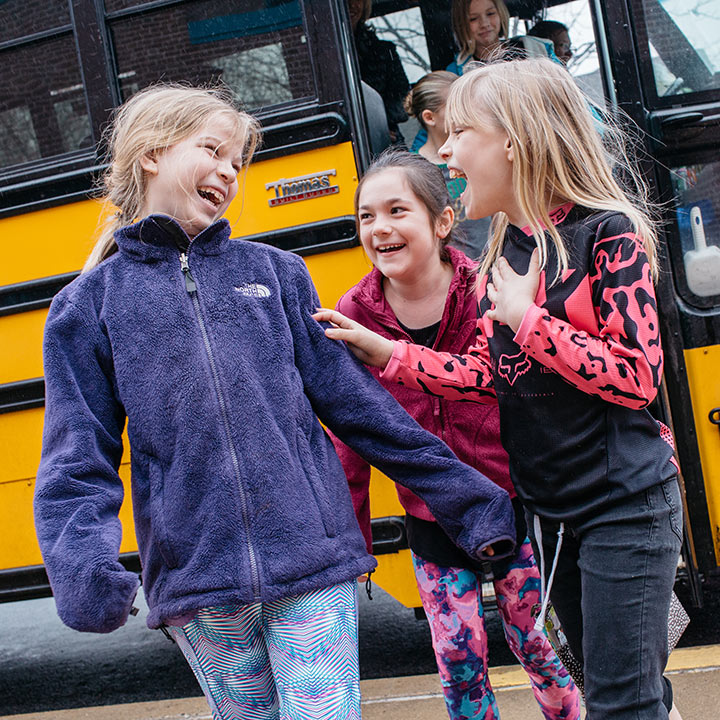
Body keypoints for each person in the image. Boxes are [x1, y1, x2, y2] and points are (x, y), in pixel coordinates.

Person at [33, 84, 519, 720]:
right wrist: (84, 567)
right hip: (197, 580)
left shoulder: (274, 273)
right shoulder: (86, 308)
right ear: (151, 153)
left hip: (312, 559)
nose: (230, 172)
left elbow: (361, 410)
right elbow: (76, 457)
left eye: (239, 162)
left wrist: (470, 498)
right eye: (213, 150)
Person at [314, 58, 685, 720]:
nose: (446, 150)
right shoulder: (507, 245)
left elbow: (638, 377)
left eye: (461, 133)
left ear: (512, 141)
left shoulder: (608, 233)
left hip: (622, 503)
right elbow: (488, 373)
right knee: (612, 694)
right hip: (551, 516)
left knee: (622, 705)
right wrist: (392, 354)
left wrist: (529, 320)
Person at [329, 149, 580, 720]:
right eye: (367, 216)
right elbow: (350, 427)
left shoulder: (485, 288)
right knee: (459, 661)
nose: (380, 228)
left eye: (397, 210)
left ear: (443, 223)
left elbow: (497, 380)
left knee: (540, 645)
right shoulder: (356, 311)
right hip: (431, 511)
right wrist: (352, 538)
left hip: (515, 498)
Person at [405, 71, 491, 258]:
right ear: (430, 118)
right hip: (458, 270)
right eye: (455, 106)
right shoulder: (415, 171)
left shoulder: (476, 152)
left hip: (494, 258)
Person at [348, 0, 410, 145]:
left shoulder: (384, 51)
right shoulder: (319, 57)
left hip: (387, 139)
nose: (351, 5)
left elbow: (402, 100)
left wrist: (377, 126)